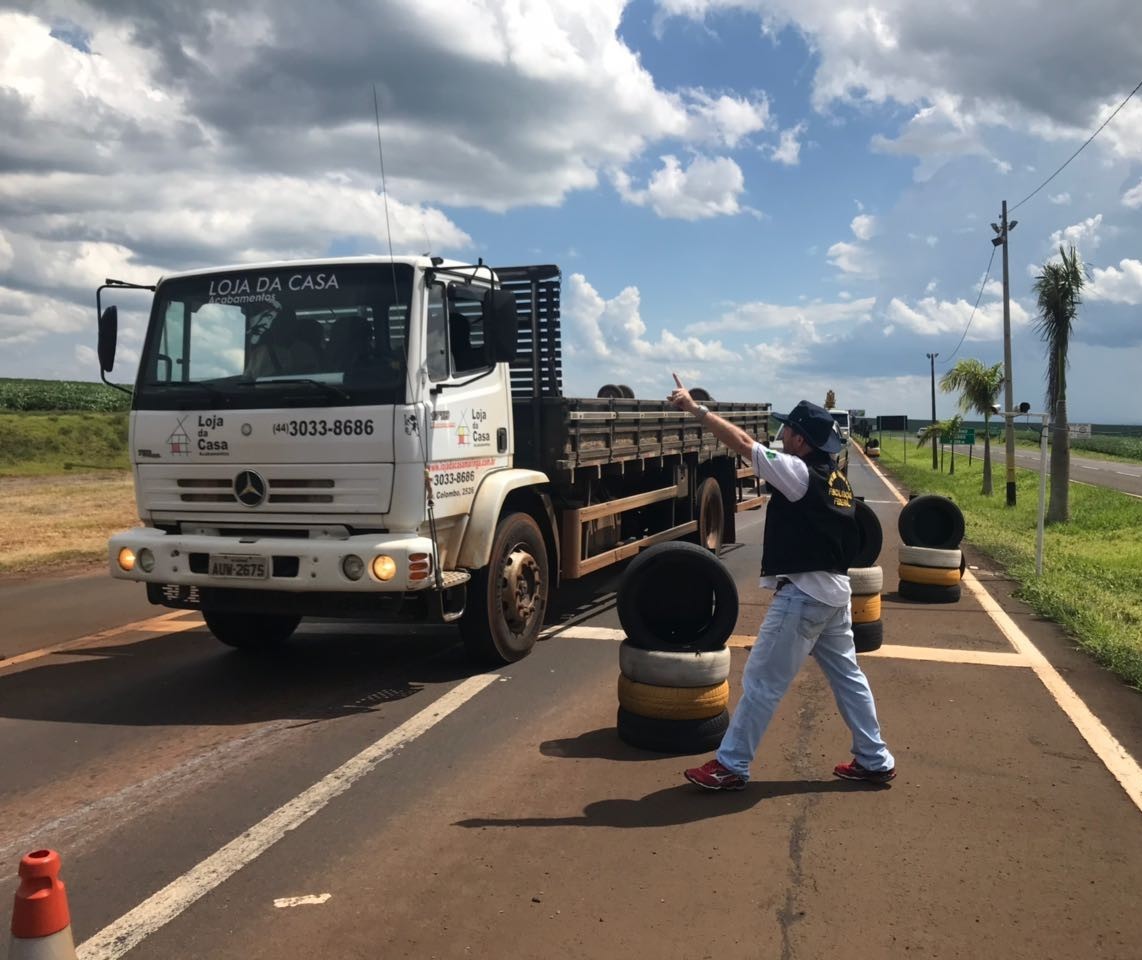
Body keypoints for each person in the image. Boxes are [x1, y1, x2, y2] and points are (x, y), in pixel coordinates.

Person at [668, 377, 896, 791]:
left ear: (801, 439)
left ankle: (731, 765)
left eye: (788, 429)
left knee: (762, 680)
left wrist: (696, 410)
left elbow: (741, 443)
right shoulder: (837, 481)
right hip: (834, 594)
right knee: (848, 677)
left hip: (805, 596)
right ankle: (875, 758)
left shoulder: (798, 473)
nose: (783, 434)